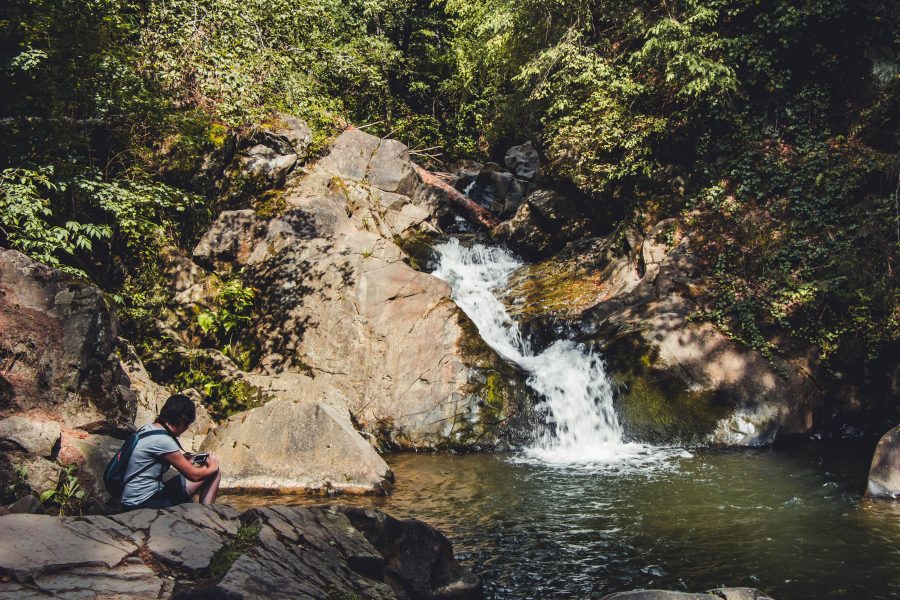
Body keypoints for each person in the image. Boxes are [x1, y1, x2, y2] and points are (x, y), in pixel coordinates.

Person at [121, 394, 221, 511]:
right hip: (144, 503)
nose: (186, 429)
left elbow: (158, 457)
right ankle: (209, 515)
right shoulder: (164, 441)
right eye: (187, 425)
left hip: (130, 498)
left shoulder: (148, 428)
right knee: (214, 473)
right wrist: (213, 467)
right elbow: (194, 475)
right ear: (182, 420)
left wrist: (186, 458)